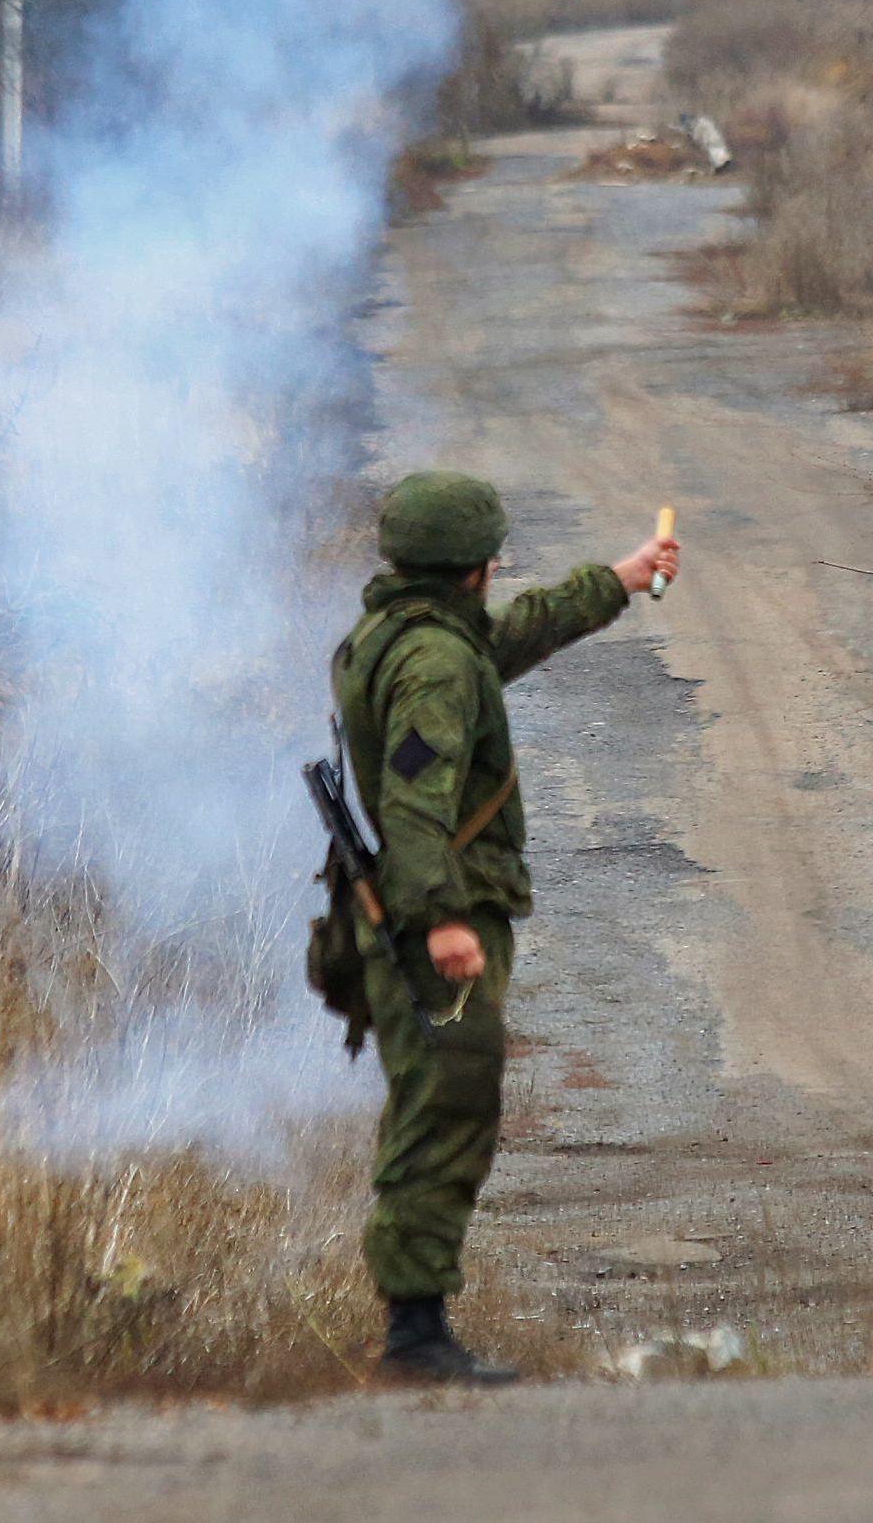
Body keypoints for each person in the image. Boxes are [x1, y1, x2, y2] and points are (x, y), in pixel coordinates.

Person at [332, 470, 678, 1384]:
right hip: (431, 921)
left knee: (439, 1102)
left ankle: (415, 1321)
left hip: (414, 911)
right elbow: (413, 806)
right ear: (477, 565)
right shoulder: (435, 662)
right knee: (445, 1106)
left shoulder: (405, 635)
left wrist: (619, 578)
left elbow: (500, 645)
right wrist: (445, 920)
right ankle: (413, 1333)